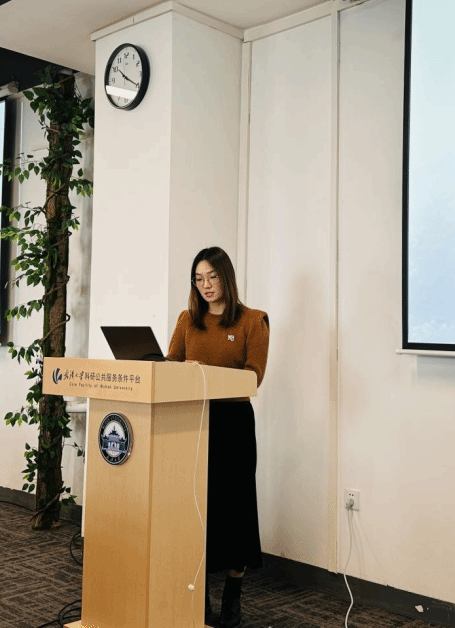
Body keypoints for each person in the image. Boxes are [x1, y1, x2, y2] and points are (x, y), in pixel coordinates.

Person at [166, 246, 270, 628]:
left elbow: (253, 376)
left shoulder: (253, 320)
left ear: (226, 277)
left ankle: (232, 594)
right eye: (198, 279)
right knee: (197, 508)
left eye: (212, 277)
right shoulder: (187, 320)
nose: (206, 285)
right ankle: (198, 593)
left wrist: (204, 373)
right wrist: (184, 370)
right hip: (193, 422)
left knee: (235, 510)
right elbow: (169, 366)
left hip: (233, 424)